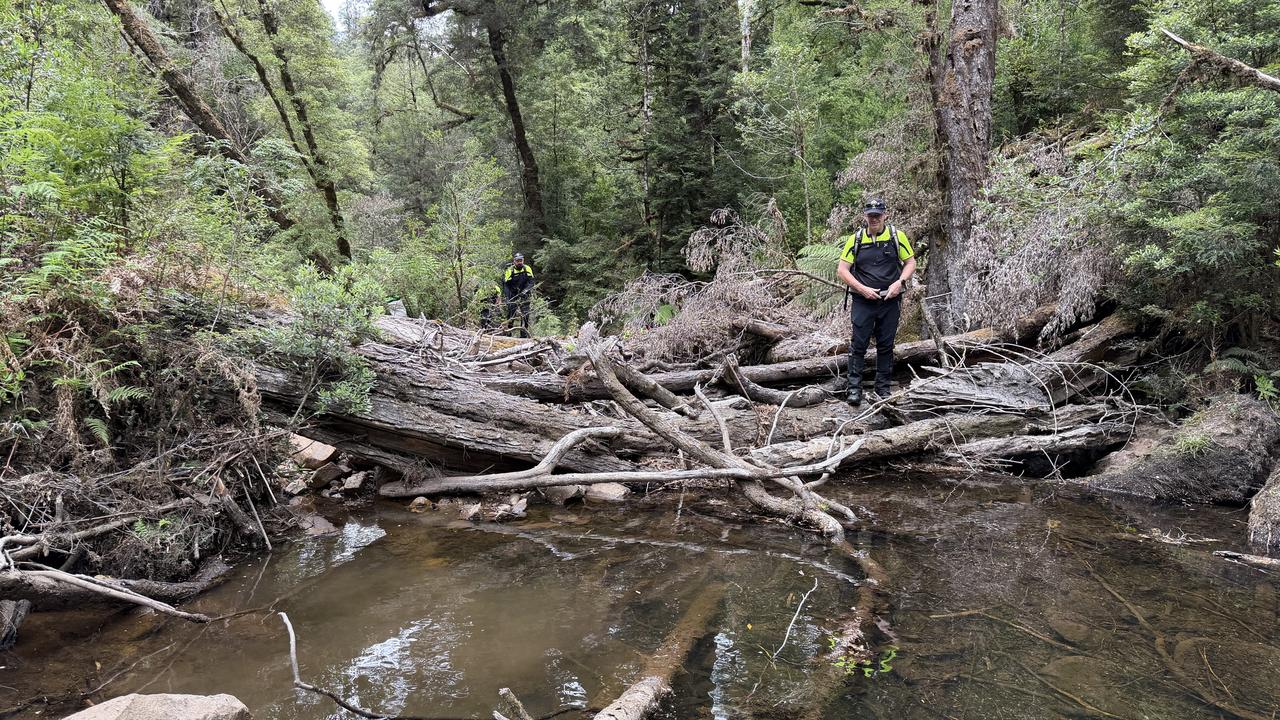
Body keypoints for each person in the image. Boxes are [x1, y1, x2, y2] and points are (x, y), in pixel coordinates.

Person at [836, 199, 916, 406]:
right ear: (865, 216)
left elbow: (910, 262)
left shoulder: (897, 237)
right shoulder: (856, 240)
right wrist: (862, 289)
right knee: (858, 345)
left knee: (886, 345)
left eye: (877, 215)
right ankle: (854, 390)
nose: (874, 218)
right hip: (863, 301)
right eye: (870, 215)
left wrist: (900, 282)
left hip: (890, 300)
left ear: (884, 215)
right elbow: (842, 270)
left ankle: (883, 389)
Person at [502, 252, 535, 337]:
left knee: (526, 314)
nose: (519, 262)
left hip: (525, 293)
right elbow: (506, 284)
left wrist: (525, 291)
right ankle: (508, 334)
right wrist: (508, 297)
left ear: (523, 260)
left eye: (521, 260)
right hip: (512, 294)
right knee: (511, 313)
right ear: (514, 261)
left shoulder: (527, 268)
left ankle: (523, 335)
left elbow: (531, 282)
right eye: (518, 261)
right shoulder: (510, 270)